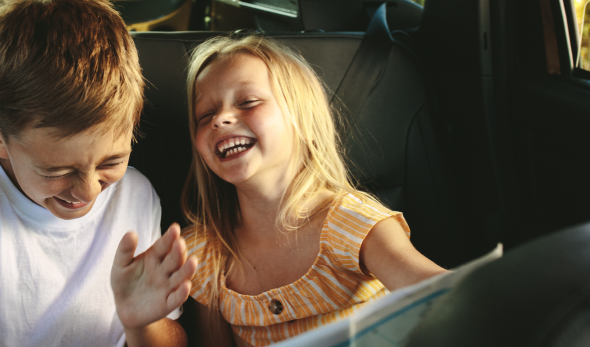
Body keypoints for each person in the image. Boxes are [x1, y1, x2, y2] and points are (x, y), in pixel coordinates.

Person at [0, 0, 197, 346]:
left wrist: (142, 324)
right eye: (57, 170)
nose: (88, 193)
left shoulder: (136, 195)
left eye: (111, 163)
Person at [179, 34, 447, 346]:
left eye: (248, 102)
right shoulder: (205, 252)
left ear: (301, 118)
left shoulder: (351, 223)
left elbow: (439, 294)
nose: (221, 119)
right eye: (205, 115)